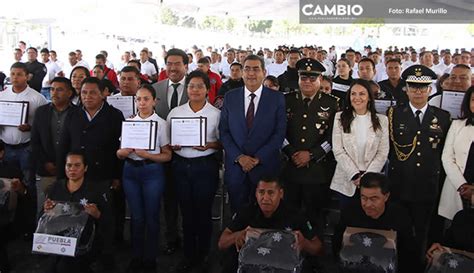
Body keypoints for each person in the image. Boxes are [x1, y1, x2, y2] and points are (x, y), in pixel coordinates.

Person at [387, 65, 451, 271]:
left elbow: (444, 151)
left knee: (423, 232)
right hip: (400, 184)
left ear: (430, 90)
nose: (418, 92)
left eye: (423, 88)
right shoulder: (394, 114)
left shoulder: (442, 116)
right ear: (406, 88)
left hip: (427, 185)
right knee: (399, 230)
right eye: (413, 87)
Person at [58, 77, 123, 271]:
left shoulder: (114, 115)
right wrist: (63, 176)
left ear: (103, 93)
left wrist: (116, 175)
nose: (87, 96)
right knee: (77, 214)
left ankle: (106, 254)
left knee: (105, 216)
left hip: (103, 174)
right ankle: (78, 251)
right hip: (78, 175)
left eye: (93, 92)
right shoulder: (73, 114)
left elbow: (120, 147)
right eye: (84, 92)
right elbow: (64, 144)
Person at [167, 71, 222, 273]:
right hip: (180, 166)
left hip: (205, 166)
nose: (195, 90)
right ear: (186, 89)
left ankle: (204, 254)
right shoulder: (176, 112)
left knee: (204, 212)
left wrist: (209, 144)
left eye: (200, 86)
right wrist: (172, 146)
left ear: (208, 90)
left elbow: (222, 143)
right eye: (191, 86)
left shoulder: (216, 114)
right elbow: (168, 140)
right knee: (186, 212)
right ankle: (189, 255)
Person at [219, 54, 286, 213]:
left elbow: (279, 133)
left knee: (264, 216)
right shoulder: (230, 97)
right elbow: (224, 131)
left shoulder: (277, 98)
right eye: (247, 69)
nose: (251, 73)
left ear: (264, 72)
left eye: (256, 69)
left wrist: (257, 159)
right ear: (242, 72)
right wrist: (240, 157)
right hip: (237, 168)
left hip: (265, 167)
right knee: (238, 214)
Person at [116, 84, 171, 273]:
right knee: (137, 217)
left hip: (152, 172)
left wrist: (148, 155)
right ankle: (136, 256)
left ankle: (150, 258)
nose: (142, 103)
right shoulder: (129, 122)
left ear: (154, 101)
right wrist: (123, 152)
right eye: (138, 99)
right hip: (130, 172)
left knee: (152, 217)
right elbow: (119, 152)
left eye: (146, 99)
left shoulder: (161, 124)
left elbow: (167, 155)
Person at [217, 177, 323, 273]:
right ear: (256, 193)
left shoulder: (295, 215)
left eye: (271, 193)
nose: (265, 198)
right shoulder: (247, 212)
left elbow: (318, 247)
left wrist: (304, 243)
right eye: (261, 192)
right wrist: (238, 235)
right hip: (251, 266)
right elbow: (222, 243)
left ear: (280, 193)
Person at [282, 58, 339, 234]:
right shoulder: (286, 100)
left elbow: (334, 136)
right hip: (290, 169)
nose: (307, 82)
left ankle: (315, 255)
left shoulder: (332, 103)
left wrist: (312, 154)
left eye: (312, 78)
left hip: (317, 171)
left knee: (315, 216)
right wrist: (291, 153)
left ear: (320, 79)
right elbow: (279, 133)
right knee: (289, 216)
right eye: (303, 78)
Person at [333, 173, 416, 273]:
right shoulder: (350, 212)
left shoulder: (400, 216)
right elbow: (338, 245)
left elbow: (408, 254)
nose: (367, 204)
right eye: (364, 198)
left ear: (386, 196)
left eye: (374, 199)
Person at [43, 151, 110, 273]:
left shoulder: (96, 190)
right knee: (50, 268)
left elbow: (109, 222)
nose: (72, 169)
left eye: (77, 165)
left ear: (85, 168)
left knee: (64, 267)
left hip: (85, 241)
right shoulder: (55, 188)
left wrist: (97, 214)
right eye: (69, 165)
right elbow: (44, 220)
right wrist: (46, 210)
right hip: (59, 239)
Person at [152, 48, 190, 255]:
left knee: (187, 198)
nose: (173, 68)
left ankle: (190, 236)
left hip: (188, 154)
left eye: (177, 64)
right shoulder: (155, 89)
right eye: (169, 64)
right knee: (168, 200)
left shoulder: (195, 88)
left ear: (186, 66)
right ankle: (171, 237)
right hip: (162, 154)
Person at [330, 79, 389, 206]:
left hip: (372, 181)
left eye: (362, 94)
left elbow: (382, 153)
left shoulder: (382, 120)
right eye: (353, 94)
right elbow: (338, 150)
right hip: (347, 180)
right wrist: (355, 175)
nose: (357, 98)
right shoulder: (339, 118)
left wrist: (367, 177)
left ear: (369, 97)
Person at [31, 77, 76, 218]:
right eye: (52, 89)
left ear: (69, 93)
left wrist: (66, 165)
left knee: (66, 209)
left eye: (59, 89)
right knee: (43, 208)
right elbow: (35, 141)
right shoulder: (41, 112)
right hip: (46, 169)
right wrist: (46, 163)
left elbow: (78, 143)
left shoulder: (78, 113)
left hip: (70, 170)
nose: (54, 93)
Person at [0, 62, 48, 182]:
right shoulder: (2, 96)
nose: (15, 77)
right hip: (6, 148)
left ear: (27, 76)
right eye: (13, 74)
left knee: (28, 181)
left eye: (19, 74)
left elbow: (45, 125)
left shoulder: (37, 98)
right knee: (8, 184)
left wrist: (30, 127)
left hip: (27, 148)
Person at [438, 86, 474, 220]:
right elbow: (447, 157)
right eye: (473, 100)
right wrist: (462, 185)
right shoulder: (457, 125)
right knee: (455, 230)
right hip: (457, 187)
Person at [0, 140, 26, 273]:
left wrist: (20, 188)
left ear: (1, 153)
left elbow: (25, 196)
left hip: (6, 216)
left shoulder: (11, 170)